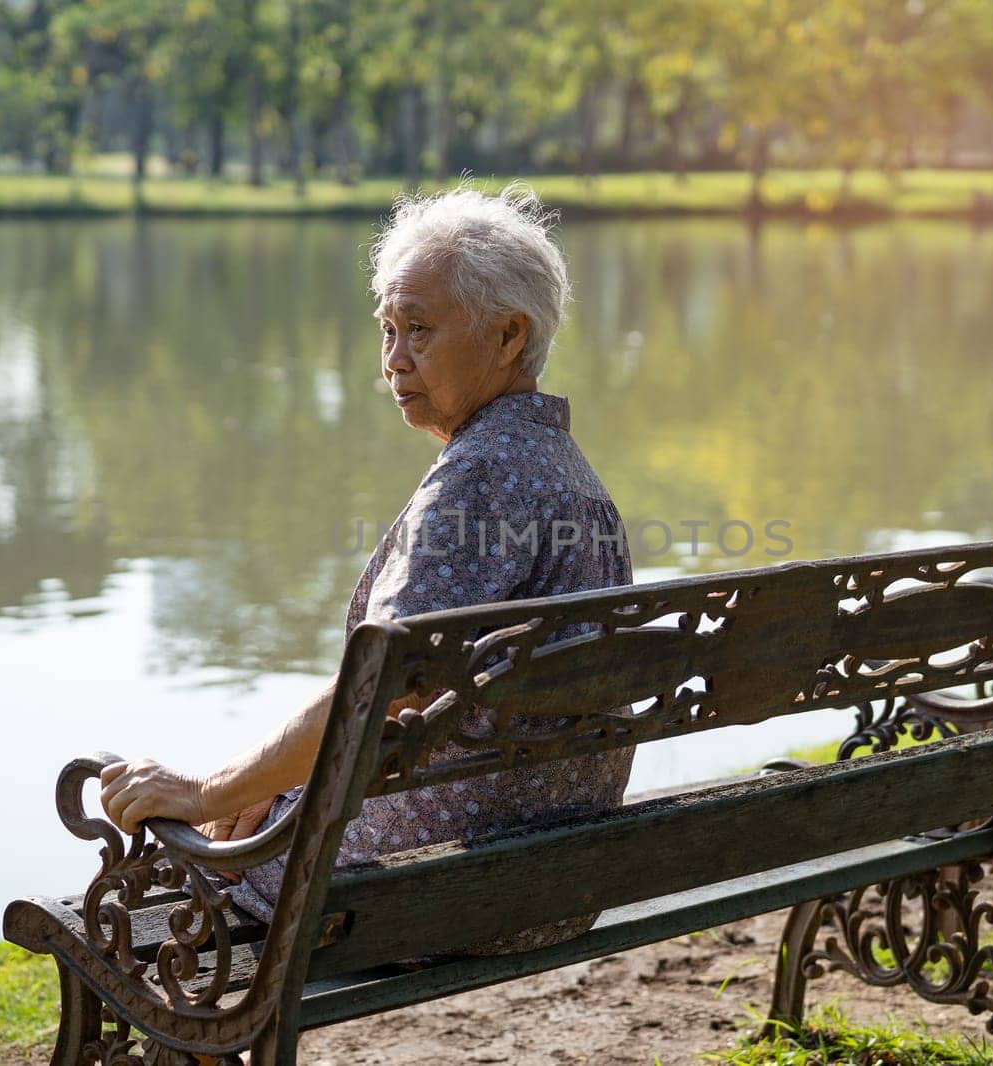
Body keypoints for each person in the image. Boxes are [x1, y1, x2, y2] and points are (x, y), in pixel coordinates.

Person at [97, 187, 634, 949]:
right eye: (387, 330)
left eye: (419, 330)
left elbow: (375, 691)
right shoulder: (567, 471)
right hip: (552, 873)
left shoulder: (483, 476)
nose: (393, 361)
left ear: (509, 335)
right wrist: (276, 784)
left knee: (148, 901)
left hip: (437, 885)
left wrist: (206, 790)